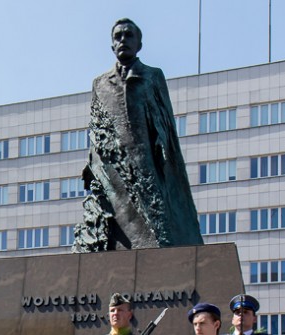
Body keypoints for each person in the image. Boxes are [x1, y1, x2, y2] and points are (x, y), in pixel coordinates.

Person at [73, 18, 202, 252]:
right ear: (112, 45)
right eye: (118, 36)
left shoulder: (152, 76)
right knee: (118, 219)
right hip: (113, 165)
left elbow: (165, 122)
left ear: (139, 44)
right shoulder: (100, 84)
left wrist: (163, 153)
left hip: (146, 160)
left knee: (154, 221)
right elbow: (96, 127)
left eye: (128, 35)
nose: (123, 40)